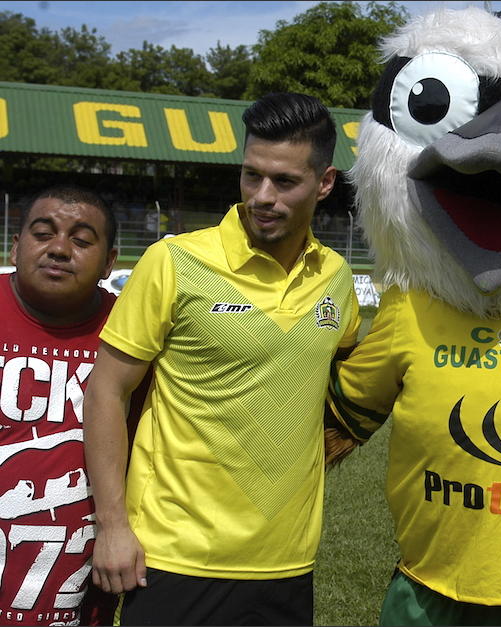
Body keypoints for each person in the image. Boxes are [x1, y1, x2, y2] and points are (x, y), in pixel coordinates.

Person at [82, 92, 361, 626]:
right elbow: (106, 392)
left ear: (324, 183)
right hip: (174, 554)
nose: (263, 196)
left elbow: (345, 378)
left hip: (287, 560)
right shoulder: (175, 261)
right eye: (251, 175)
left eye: (284, 181)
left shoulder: (337, 278)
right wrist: (112, 524)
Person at [0, 186, 118, 626]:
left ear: (110, 262)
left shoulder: (133, 333)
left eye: (82, 240)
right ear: (15, 246)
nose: (60, 249)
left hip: (76, 594)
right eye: (43, 233)